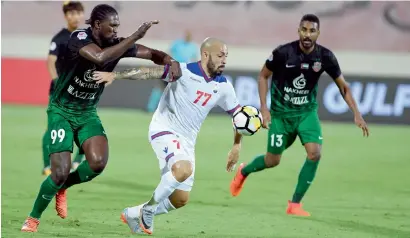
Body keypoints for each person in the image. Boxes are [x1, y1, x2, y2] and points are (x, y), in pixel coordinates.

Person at [21, 4, 181, 233]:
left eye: (118, 26)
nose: (116, 31)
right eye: (112, 26)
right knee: (58, 172)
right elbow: (99, 57)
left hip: (87, 112)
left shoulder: (117, 44)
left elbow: (154, 54)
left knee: (97, 164)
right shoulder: (79, 38)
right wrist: (135, 36)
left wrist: (170, 61)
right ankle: (33, 217)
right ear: (97, 25)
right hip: (61, 110)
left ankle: (64, 187)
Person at [92, 37, 242, 235]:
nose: (224, 60)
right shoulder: (182, 71)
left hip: (187, 141)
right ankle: (149, 209)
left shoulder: (223, 86)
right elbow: (148, 73)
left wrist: (236, 145)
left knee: (180, 199)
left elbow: (238, 117)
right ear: (205, 54)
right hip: (164, 129)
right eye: (220, 55)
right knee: (183, 169)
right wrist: (116, 75)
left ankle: (132, 213)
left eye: (226, 56)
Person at [230, 14, 370, 217]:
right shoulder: (282, 53)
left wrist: (356, 113)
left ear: (318, 33)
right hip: (281, 115)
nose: (307, 34)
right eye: (304, 30)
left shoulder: (326, 57)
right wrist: (264, 107)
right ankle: (244, 171)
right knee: (272, 161)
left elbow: (343, 87)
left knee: (315, 153)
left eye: (312, 31)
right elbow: (263, 75)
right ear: (298, 31)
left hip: (306, 113)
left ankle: (294, 204)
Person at [42, 1, 85, 176]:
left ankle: (77, 161)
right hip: (60, 90)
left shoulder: (86, 37)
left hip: (80, 89)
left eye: (78, 13)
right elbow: (50, 62)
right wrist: (58, 82)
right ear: (66, 16)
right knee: (53, 127)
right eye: (71, 14)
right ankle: (47, 166)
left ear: (82, 14)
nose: (75, 17)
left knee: (84, 126)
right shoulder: (59, 38)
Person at [146, 30, 199, 112]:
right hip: (171, 69)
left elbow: (194, 60)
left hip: (183, 72)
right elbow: (168, 53)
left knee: (179, 91)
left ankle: (177, 110)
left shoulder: (193, 47)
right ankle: (150, 108)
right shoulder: (177, 44)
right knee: (160, 88)